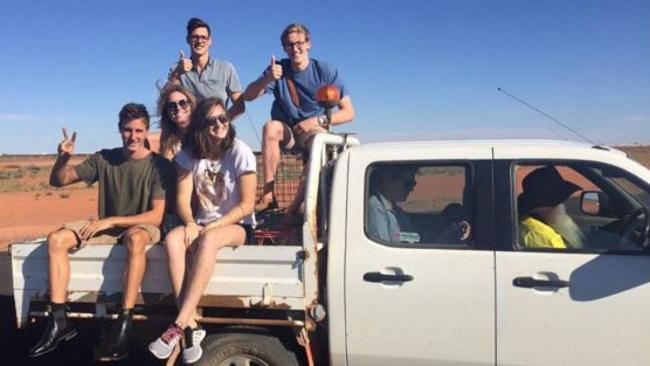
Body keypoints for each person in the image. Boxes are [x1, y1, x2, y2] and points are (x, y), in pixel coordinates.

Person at [28, 104, 172, 361]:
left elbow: (156, 216)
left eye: (139, 130)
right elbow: (59, 180)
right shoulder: (104, 158)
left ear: (147, 132)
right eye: (128, 130)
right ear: (119, 130)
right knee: (57, 239)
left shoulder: (158, 166)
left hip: (141, 226)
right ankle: (59, 320)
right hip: (108, 227)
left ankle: (124, 322)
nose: (133, 136)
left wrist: (109, 221)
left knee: (136, 238)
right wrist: (63, 157)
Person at [149, 97, 256, 364]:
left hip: (237, 225)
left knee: (208, 240)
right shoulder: (188, 156)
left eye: (224, 119)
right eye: (211, 121)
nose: (219, 125)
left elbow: (247, 205)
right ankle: (193, 327)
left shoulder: (240, 151)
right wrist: (189, 223)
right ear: (200, 127)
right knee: (173, 240)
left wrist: (210, 226)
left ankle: (178, 324)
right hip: (201, 224)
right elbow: (183, 202)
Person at [242, 23, 355, 215]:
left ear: (308, 43)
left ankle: (295, 209)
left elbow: (348, 112)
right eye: (289, 45)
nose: (295, 49)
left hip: (314, 131)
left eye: (299, 43)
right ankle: (268, 195)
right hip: (289, 132)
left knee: (318, 142)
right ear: (284, 48)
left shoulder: (325, 71)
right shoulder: (278, 69)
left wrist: (316, 122)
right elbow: (248, 96)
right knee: (270, 128)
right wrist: (267, 78)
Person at [367, 165, 471, 244]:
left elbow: (407, 236)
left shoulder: (396, 210)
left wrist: (441, 237)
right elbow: (384, 248)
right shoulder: (375, 206)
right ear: (388, 179)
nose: (412, 188)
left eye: (413, 184)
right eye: (408, 183)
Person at [166, 17, 243, 119]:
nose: (199, 41)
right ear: (188, 39)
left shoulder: (226, 68)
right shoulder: (177, 69)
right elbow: (164, 99)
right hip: (189, 131)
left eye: (203, 37)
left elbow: (240, 106)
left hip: (217, 130)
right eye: (195, 37)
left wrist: (221, 122)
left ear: (210, 41)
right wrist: (177, 74)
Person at [518, 166, 585, 249]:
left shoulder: (524, 224)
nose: (564, 208)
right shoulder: (547, 240)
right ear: (545, 208)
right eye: (560, 202)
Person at [157, 84, 197, 160]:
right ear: (166, 111)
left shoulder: (203, 131)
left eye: (183, 103)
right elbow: (166, 163)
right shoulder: (168, 138)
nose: (178, 108)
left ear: (191, 105)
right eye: (172, 105)